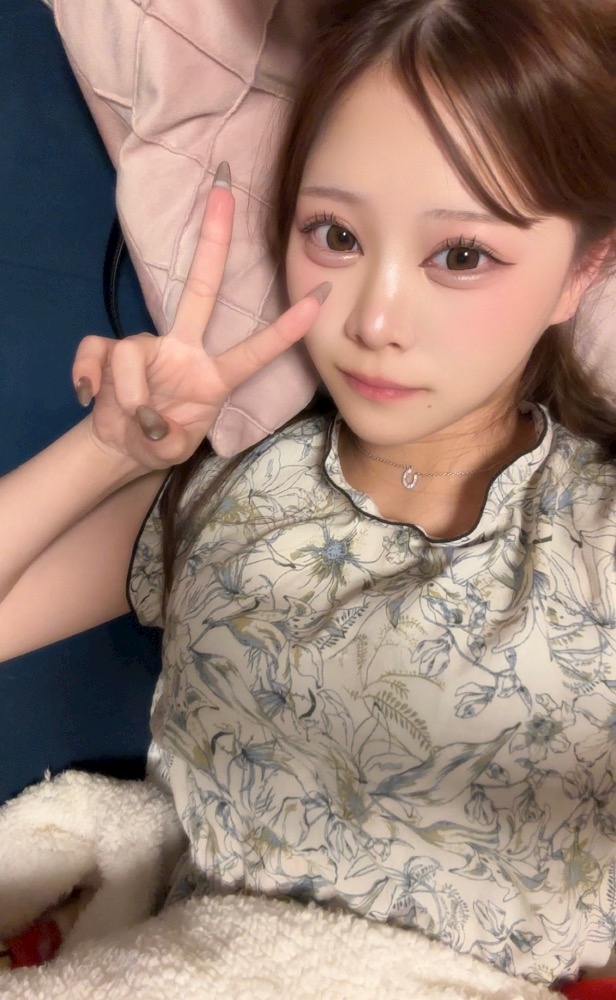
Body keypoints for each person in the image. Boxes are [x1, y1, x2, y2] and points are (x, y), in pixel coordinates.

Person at [1, 0, 615, 989]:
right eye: (334, 234)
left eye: (461, 255)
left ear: (581, 270)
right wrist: (108, 454)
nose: (374, 319)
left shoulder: (599, 539)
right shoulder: (227, 495)